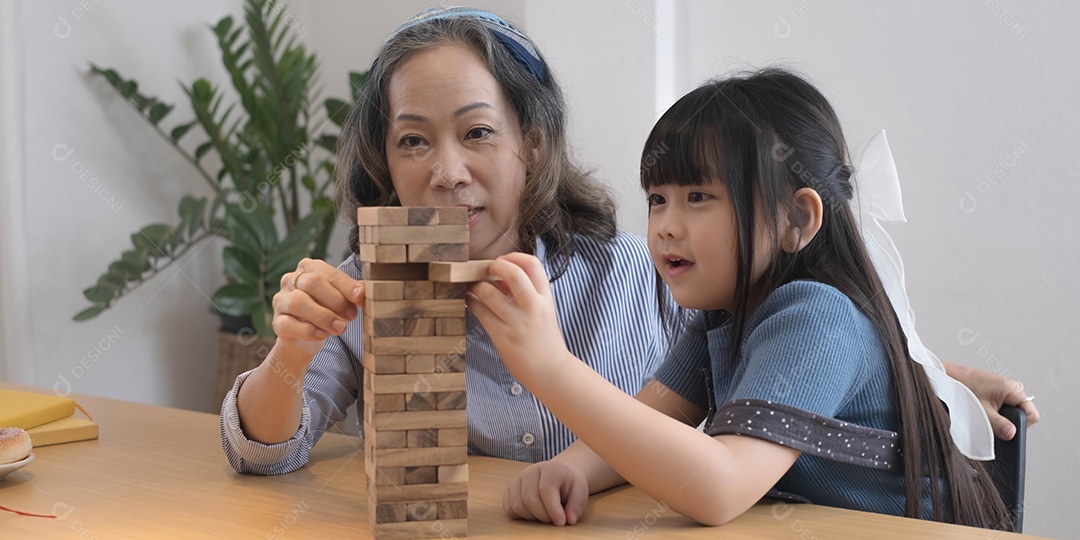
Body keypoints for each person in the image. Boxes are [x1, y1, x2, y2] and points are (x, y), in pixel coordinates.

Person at [219, 8, 1037, 476]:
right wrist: (290, 354)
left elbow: (767, 343)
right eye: (412, 142)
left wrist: (932, 369)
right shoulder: (368, 287)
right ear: (382, 160)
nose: (447, 171)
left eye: (477, 133)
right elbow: (260, 453)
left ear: (532, 146)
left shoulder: (633, 267)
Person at [470, 69, 1015, 530]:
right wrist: (573, 469)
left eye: (698, 197)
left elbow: (719, 486)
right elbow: (656, 415)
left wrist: (547, 366)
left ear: (796, 219)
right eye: (658, 200)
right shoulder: (719, 318)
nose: (664, 227)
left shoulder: (814, 315)